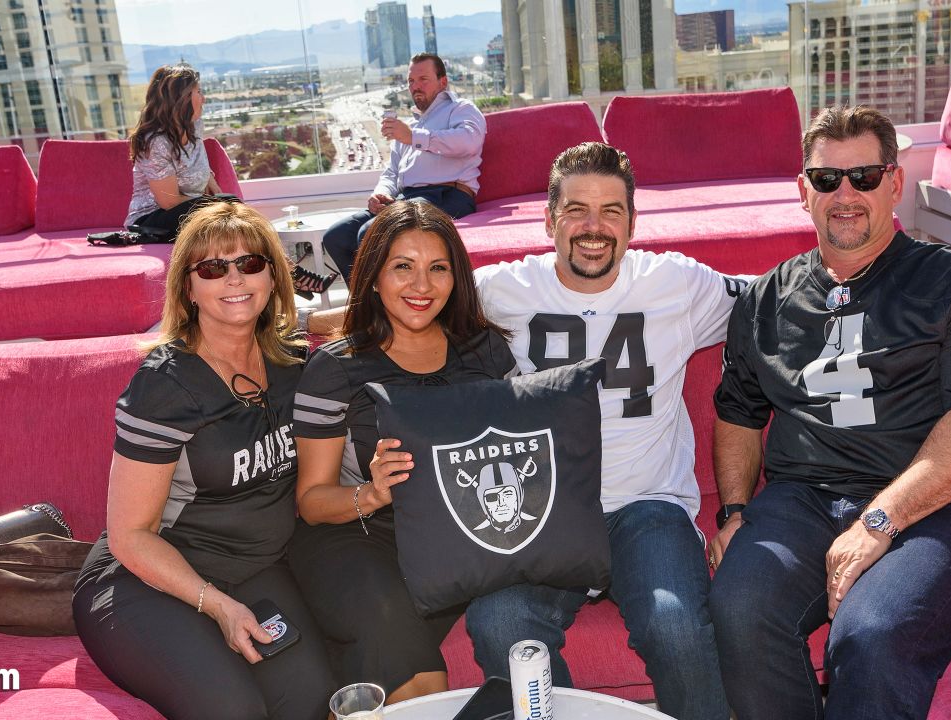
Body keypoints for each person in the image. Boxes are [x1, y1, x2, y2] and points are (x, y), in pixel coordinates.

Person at [709, 105, 951, 720]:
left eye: (865, 177)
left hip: (941, 506)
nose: (845, 194)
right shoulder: (766, 298)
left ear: (896, 184)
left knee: (869, 635)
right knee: (740, 606)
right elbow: (738, 413)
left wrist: (878, 521)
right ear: (804, 192)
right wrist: (734, 510)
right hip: (802, 498)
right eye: (827, 180)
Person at [462, 142, 743, 720]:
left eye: (612, 211)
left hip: (649, 508)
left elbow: (781, 298)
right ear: (548, 219)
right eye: (576, 210)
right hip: (545, 513)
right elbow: (404, 304)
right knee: (500, 623)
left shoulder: (678, 284)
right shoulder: (497, 291)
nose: (594, 227)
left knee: (677, 624)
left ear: (633, 222)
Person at [73, 202, 334, 720]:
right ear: (188, 288)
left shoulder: (292, 361)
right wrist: (217, 605)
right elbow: (130, 535)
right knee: (231, 709)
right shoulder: (165, 385)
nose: (234, 278)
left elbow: (375, 318)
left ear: (273, 276)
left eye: (251, 264)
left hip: (256, 569)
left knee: (309, 701)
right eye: (213, 268)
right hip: (146, 579)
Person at [288, 201, 516, 704]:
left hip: (452, 541)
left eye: (438, 268)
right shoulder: (335, 367)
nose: (422, 286)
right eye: (402, 267)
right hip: (354, 535)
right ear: (371, 277)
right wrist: (370, 493)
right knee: (410, 667)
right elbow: (312, 500)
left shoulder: (485, 352)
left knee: (382, 660)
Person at [322, 53, 485, 283]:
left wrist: (413, 137)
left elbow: (469, 141)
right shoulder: (409, 126)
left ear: (443, 82)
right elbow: (392, 172)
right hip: (406, 198)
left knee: (370, 232)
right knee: (336, 236)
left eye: (423, 79)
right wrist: (382, 193)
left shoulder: (460, 109)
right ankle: (368, 309)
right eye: (411, 81)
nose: (415, 87)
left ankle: (383, 311)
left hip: (448, 196)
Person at [123, 64, 228, 240]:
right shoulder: (156, 142)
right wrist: (213, 204)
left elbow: (197, 160)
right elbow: (169, 201)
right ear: (182, 98)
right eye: (199, 92)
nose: (204, 99)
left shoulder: (194, 126)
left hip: (192, 207)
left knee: (233, 204)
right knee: (219, 211)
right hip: (152, 220)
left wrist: (217, 193)